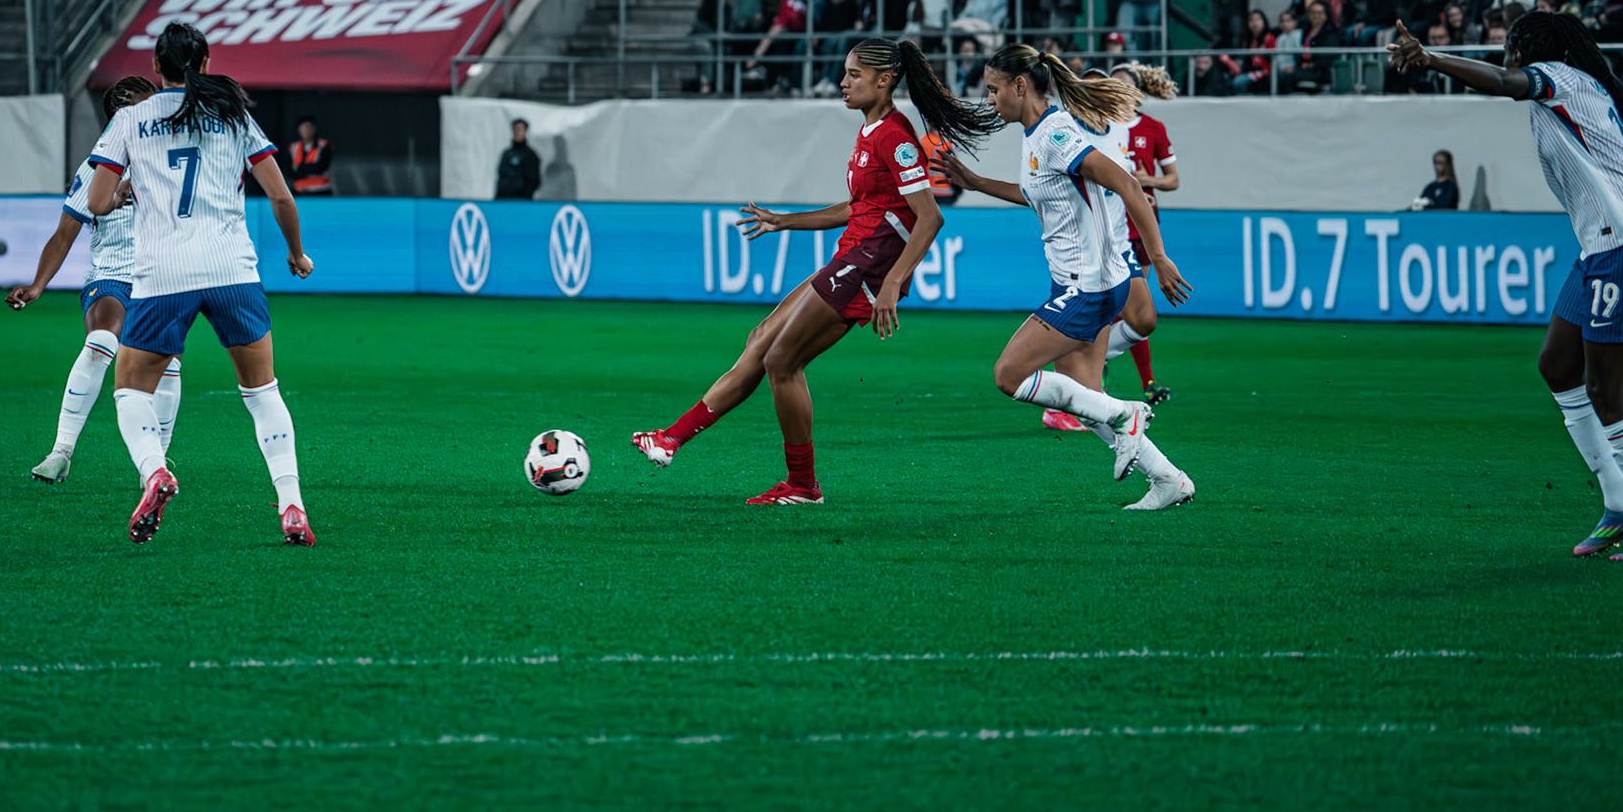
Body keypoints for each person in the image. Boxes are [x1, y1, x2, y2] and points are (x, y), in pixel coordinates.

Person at [629, 38, 1002, 505]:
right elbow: (858, 206)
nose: (843, 82)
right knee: (761, 338)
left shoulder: (895, 138)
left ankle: (803, 485)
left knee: (782, 361)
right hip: (852, 257)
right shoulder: (871, 130)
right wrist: (785, 221)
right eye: (845, 73)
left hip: (868, 266)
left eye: (854, 75)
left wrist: (892, 283)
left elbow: (929, 217)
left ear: (884, 81)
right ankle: (671, 438)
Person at [1387, 11, 1623, 557]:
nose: (1505, 55)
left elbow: (1502, 82)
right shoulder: (1573, 90)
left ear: (1530, 49)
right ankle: (1621, 503)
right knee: (1558, 365)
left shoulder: (1561, 77)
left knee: (1608, 389)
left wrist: (1430, 58)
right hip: (1599, 248)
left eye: (1510, 45)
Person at [79, 22, 316, 546]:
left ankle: (155, 471)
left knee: (129, 390)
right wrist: (296, 253)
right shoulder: (233, 114)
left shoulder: (130, 118)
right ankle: (292, 504)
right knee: (263, 393)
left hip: (163, 275)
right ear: (205, 64)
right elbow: (280, 196)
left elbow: (95, 203)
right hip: (233, 270)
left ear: (155, 68)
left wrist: (122, 193)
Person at [934, 45, 1195, 510]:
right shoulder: (1036, 133)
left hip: (1088, 286)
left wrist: (1158, 255)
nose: (989, 100)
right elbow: (1037, 192)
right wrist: (975, 182)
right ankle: (1168, 480)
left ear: (1020, 86)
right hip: (1084, 282)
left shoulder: (1054, 135)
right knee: (1084, 397)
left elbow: (1128, 184)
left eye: (993, 90)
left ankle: (1126, 413)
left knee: (1009, 374)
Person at [7, 76, 182, 486]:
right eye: (137, 109)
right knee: (102, 340)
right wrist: (37, 286)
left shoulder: (173, 162)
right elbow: (63, 235)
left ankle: (157, 467)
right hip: (111, 276)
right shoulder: (95, 169)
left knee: (167, 363)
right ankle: (61, 452)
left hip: (161, 279)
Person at [1108, 63, 1180, 406]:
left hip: (1140, 227)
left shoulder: (1153, 128)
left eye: (1122, 85)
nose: (1115, 90)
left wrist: (1143, 182)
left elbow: (1173, 180)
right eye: (1111, 84)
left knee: (1131, 306)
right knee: (1116, 304)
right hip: (1108, 225)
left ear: (1136, 93)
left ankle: (1141, 378)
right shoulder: (1100, 126)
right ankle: (1106, 370)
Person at [495, 118, 542, 200]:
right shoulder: (506, 154)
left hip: (521, 201)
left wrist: (524, 196)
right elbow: (501, 177)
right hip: (503, 200)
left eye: (520, 129)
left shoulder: (530, 155)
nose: (517, 132)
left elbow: (534, 180)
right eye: (515, 129)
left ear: (525, 132)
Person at [288, 117, 333, 197]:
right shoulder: (294, 147)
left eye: (308, 127)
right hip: (299, 191)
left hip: (320, 191)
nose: (306, 131)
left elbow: (321, 167)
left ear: (314, 129)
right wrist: (308, 167)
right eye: (303, 128)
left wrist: (300, 167)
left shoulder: (324, 145)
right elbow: (289, 170)